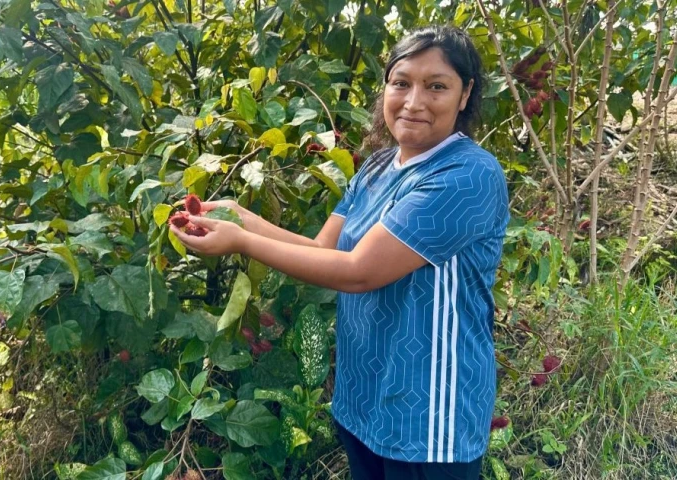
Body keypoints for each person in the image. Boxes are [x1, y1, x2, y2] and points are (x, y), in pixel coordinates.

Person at [171, 24, 509, 480]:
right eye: (401, 82)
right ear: (385, 86)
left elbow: (358, 272)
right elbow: (321, 251)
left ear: (465, 94)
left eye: (436, 87)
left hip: (429, 416)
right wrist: (238, 217)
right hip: (367, 399)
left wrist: (242, 242)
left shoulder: (468, 175)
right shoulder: (376, 167)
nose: (413, 102)